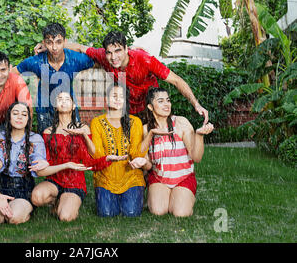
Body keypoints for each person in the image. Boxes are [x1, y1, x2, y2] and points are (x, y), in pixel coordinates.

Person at [44, 30, 209, 125]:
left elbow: (176, 80)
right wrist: (53, 47)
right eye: (109, 52)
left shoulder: (144, 60)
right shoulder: (104, 56)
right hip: (127, 108)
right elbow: (80, 48)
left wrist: (196, 104)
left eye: (117, 51)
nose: (113, 57)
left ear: (126, 49)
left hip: (149, 107)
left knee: (152, 146)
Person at [0, 23, 95, 133]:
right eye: (49, 43)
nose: (54, 47)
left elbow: (99, 57)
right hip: (45, 109)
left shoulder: (76, 59)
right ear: (44, 43)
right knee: (48, 145)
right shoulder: (36, 61)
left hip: (69, 106)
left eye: (59, 42)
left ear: (65, 42)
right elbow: (5, 73)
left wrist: (76, 46)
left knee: (74, 141)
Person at [30, 92, 126, 221]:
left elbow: (90, 158)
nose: (63, 102)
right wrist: (66, 165)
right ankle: (56, 200)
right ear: (55, 106)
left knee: (65, 217)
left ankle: (66, 201)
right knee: (36, 197)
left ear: (73, 105)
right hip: (54, 179)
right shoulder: (48, 132)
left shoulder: (83, 128)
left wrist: (104, 157)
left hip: (75, 181)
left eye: (67, 99)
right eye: (60, 99)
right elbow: (46, 164)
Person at [142, 87, 214, 217]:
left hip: (183, 178)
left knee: (180, 213)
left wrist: (199, 136)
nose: (166, 104)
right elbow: (147, 164)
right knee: (158, 211)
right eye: (161, 101)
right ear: (151, 107)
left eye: (168, 100)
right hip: (159, 178)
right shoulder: (146, 130)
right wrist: (142, 161)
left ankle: (182, 197)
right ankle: (164, 196)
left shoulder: (181, 122)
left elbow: (196, 157)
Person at [90, 84, 150, 217]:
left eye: (122, 97)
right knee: (106, 213)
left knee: (131, 212)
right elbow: (98, 154)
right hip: (106, 176)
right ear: (106, 99)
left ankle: (134, 193)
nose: (118, 99)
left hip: (130, 176)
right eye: (114, 96)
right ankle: (112, 196)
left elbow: (135, 153)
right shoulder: (97, 122)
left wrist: (138, 158)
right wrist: (108, 158)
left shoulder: (135, 122)